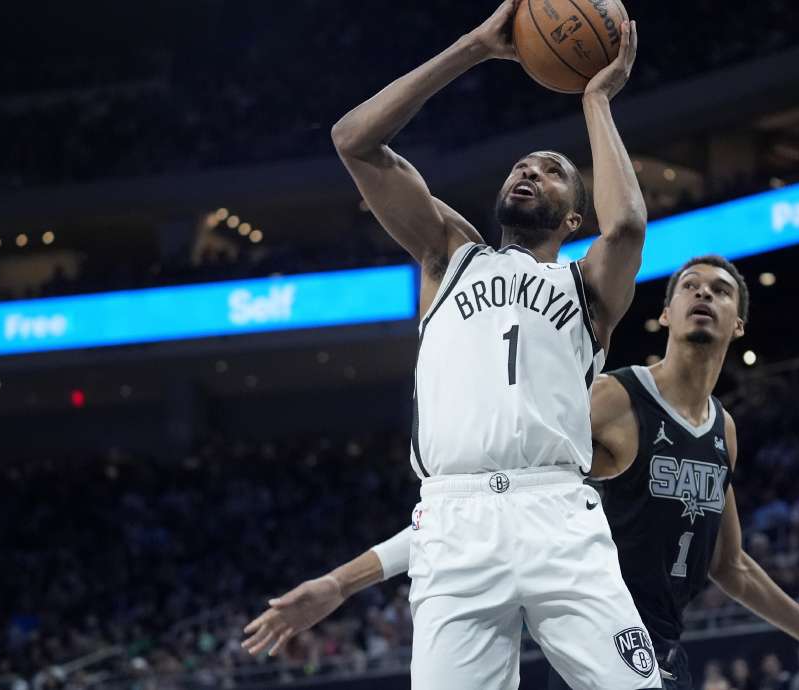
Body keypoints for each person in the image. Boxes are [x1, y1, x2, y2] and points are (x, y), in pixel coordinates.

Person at [246, 257, 799, 688]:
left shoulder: (723, 429)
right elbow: (493, 504)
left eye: (721, 290)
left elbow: (729, 567)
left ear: (739, 322)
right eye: (688, 288)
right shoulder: (614, 400)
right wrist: (340, 583)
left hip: (655, 646)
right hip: (575, 640)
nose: (704, 293)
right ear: (666, 314)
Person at [244, 2, 654, 688]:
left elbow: (629, 226)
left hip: (557, 512)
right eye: (521, 165)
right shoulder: (448, 254)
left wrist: (595, 99)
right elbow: (353, 141)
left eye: (550, 171)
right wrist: (472, 47)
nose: (528, 172)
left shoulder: (586, 286)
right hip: (452, 522)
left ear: (573, 214)